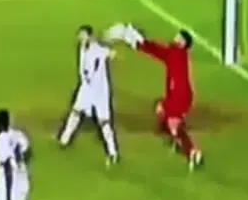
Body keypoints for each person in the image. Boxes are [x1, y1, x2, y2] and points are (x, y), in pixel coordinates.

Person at [107, 24, 203, 169]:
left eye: (178, 37)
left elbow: (158, 51)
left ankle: (192, 151)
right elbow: (158, 52)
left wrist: (137, 40)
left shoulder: (177, 53)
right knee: (163, 116)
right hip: (178, 95)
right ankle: (179, 139)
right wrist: (139, 42)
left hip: (179, 97)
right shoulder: (177, 53)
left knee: (171, 123)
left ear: (183, 42)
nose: (175, 37)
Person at [58, 25, 119, 165]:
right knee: (75, 112)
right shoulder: (82, 48)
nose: (80, 37)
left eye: (83, 35)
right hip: (86, 88)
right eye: (80, 35)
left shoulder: (98, 50)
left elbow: (112, 54)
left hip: (100, 92)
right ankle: (64, 140)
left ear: (89, 36)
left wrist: (108, 46)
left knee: (104, 122)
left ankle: (112, 152)